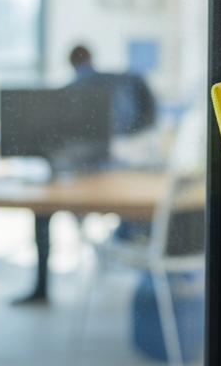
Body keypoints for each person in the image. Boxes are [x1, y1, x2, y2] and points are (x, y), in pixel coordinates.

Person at [15, 44, 156, 304]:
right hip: (110, 173)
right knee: (138, 213)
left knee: (41, 212)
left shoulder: (67, 90)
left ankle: (41, 289)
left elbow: (54, 139)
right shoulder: (119, 78)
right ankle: (147, 280)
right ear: (92, 58)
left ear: (71, 63)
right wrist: (138, 127)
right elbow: (143, 96)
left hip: (74, 174)